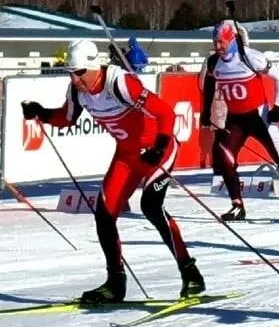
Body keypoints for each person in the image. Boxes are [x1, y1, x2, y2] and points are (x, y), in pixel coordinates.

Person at [21, 40, 204, 303]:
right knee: (104, 214)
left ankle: (190, 272)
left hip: (157, 150)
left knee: (151, 206)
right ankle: (115, 283)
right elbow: (67, 118)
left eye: (80, 72)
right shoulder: (77, 92)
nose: (75, 79)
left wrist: (159, 145)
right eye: (71, 72)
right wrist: (40, 112)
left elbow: (164, 112)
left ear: (95, 66)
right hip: (127, 156)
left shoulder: (119, 83)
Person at [201, 19, 279, 221]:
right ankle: (237, 205)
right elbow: (209, 83)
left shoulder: (251, 57)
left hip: (258, 117)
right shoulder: (213, 62)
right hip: (235, 119)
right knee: (223, 157)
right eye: (214, 42)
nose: (217, 47)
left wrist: (278, 106)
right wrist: (205, 112)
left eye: (221, 42)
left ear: (232, 39)